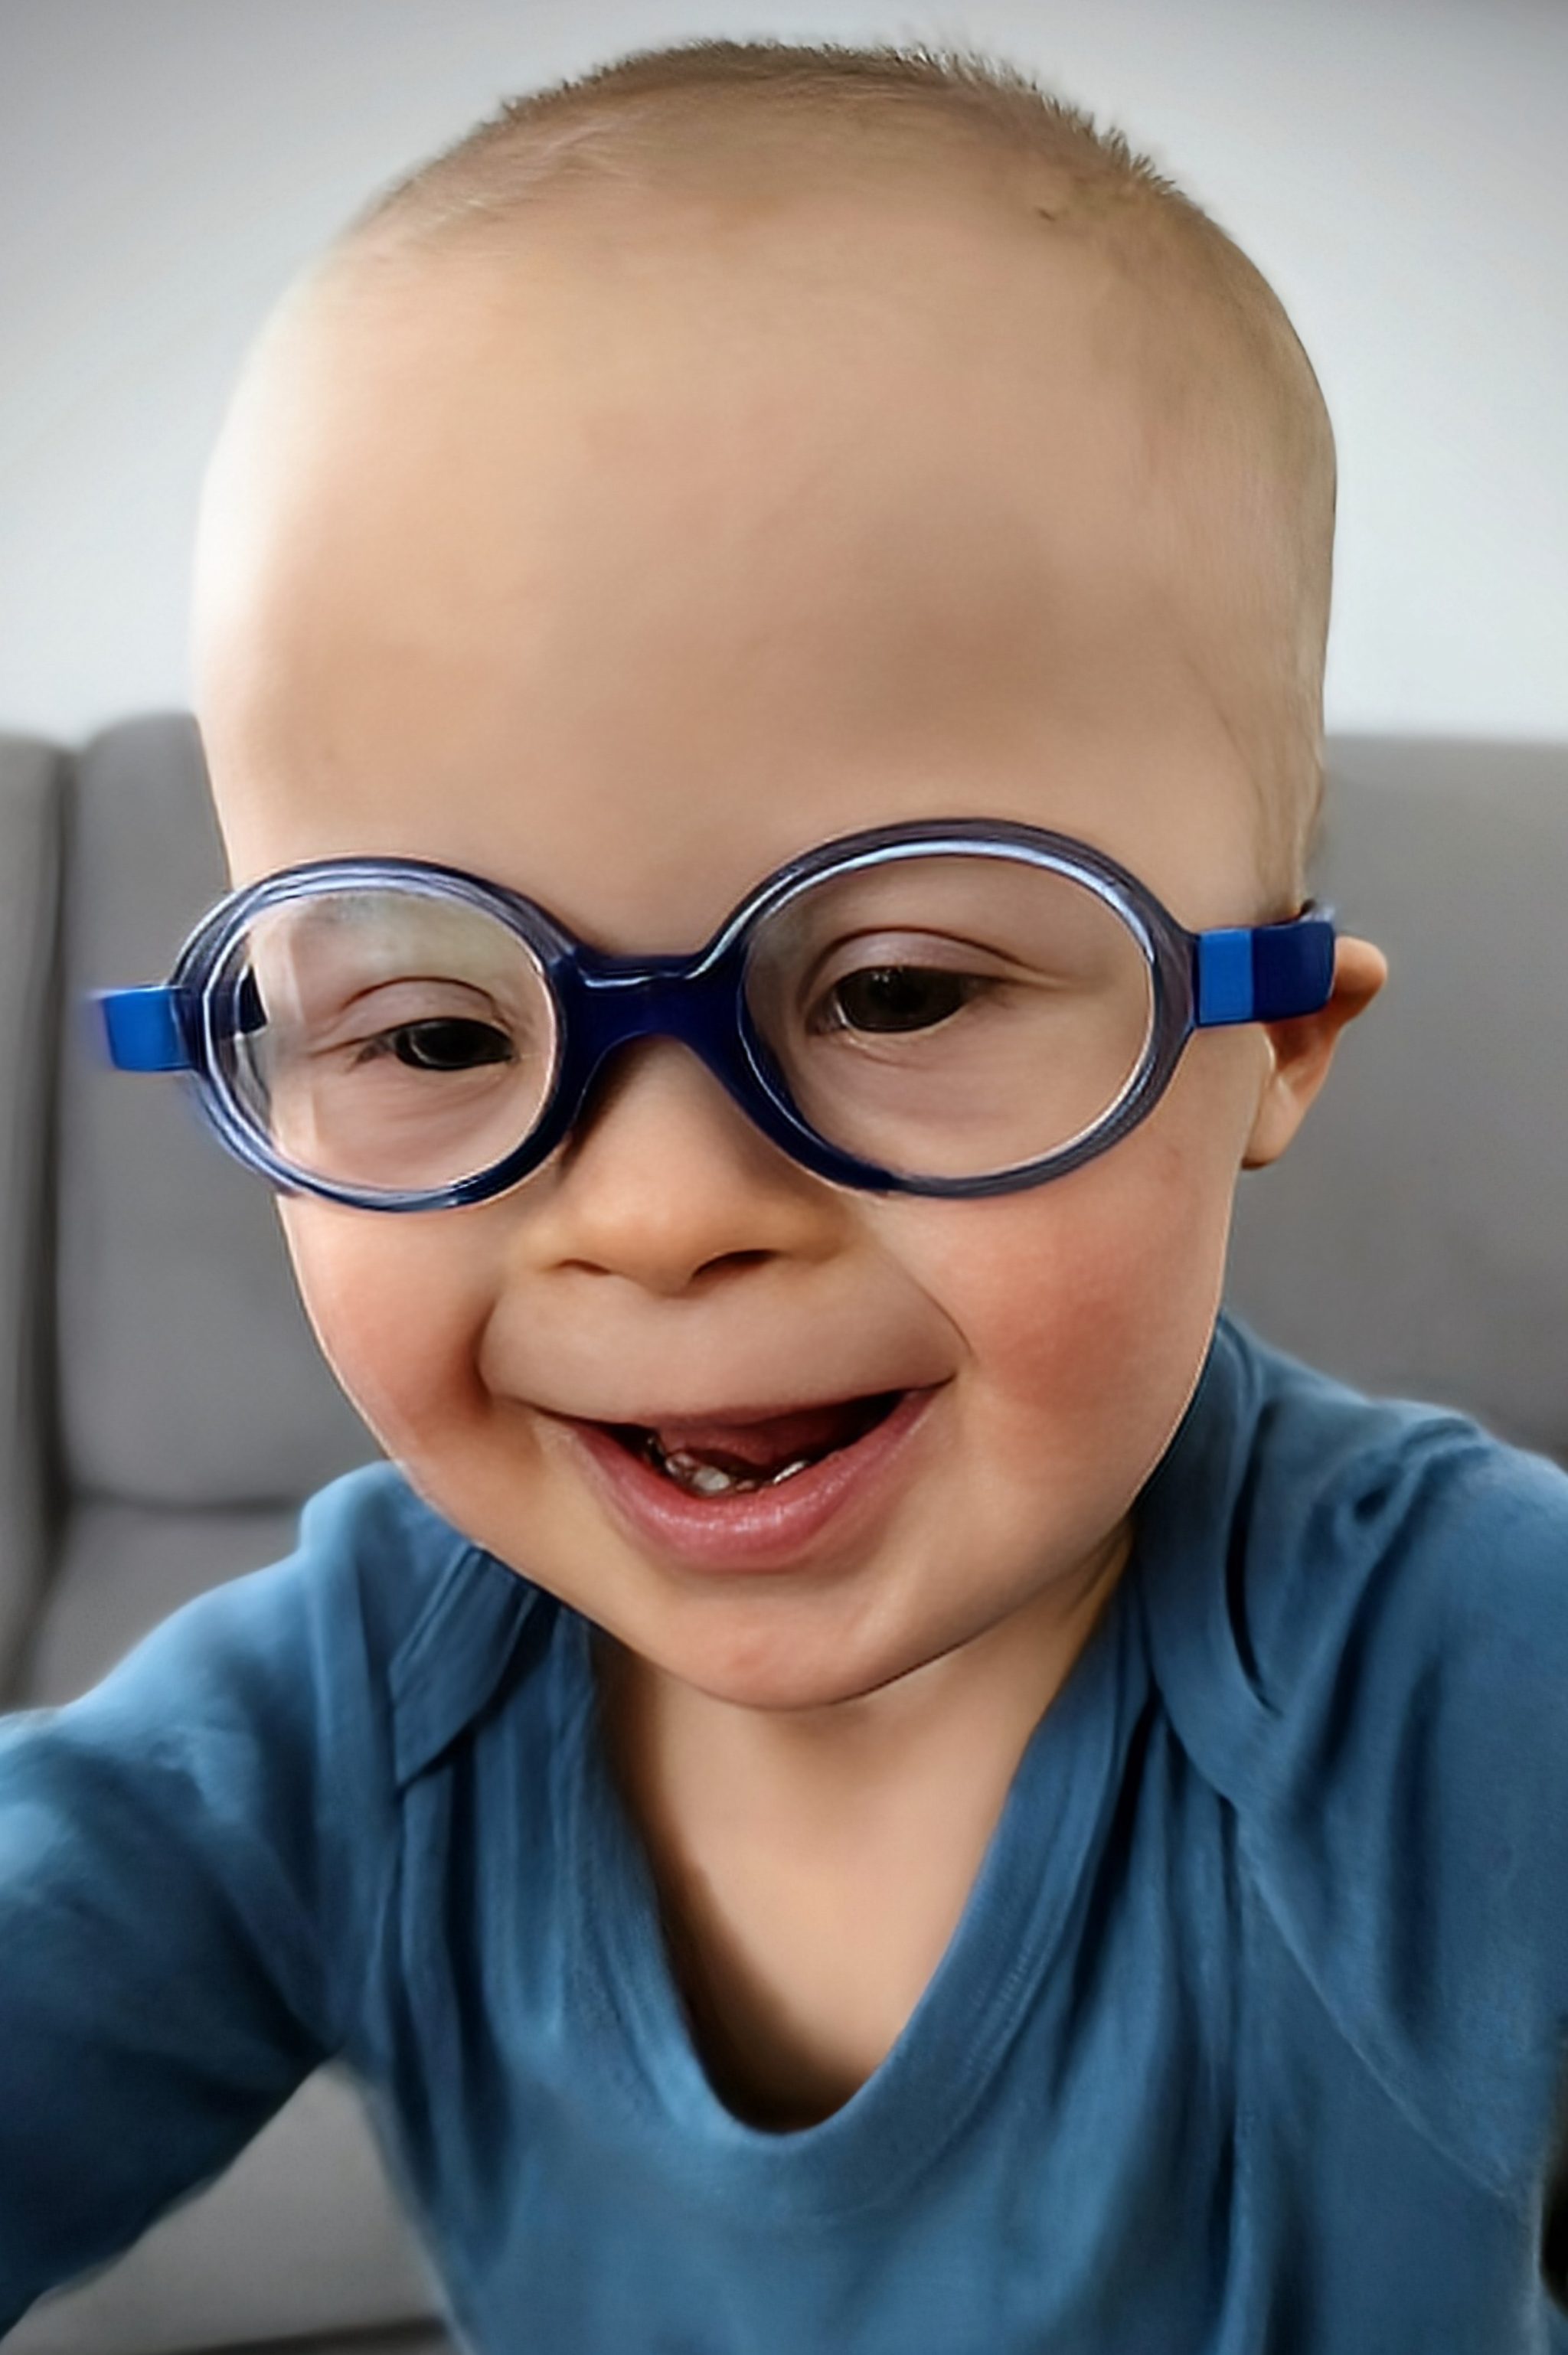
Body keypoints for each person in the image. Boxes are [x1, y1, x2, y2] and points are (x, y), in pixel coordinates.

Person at [3, 36, 1566, 2352]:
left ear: (1273, 1039)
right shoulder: (338, 1714)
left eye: (899, 990)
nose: (657, 1213)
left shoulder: (1471, 1678)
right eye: (432, 1034)